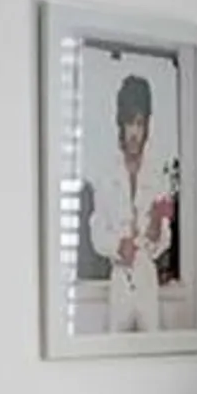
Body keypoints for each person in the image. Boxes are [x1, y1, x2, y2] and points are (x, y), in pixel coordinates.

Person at [78, 66, 173, 333]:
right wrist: (118, 246)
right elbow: (96, 232)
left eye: (140, 124)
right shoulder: (106, 172)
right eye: (129, 123)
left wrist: (155, 225)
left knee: (153, 348)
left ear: (147, 126)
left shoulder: (157, 174)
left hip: (147, 278)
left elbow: (164, 239)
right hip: (120, 278)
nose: (134, 132)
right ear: (120, 123)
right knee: (115, 343)